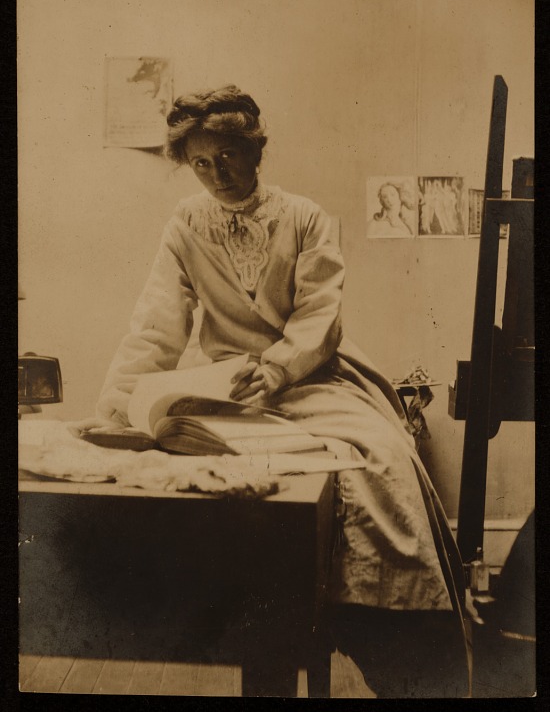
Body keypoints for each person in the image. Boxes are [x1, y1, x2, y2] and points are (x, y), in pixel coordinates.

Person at [71, 85, 470, 697]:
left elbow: (320, 316)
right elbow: (156, 324)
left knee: (378, 459)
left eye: (228, 155)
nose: (216, 174)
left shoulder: (306, 217)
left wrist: (281, 368)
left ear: (256, 149)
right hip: (224, 382)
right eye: (201, 163)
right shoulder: (185, 222)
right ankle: (258, 607)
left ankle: (383, 617)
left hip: (314, 375)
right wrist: (116, 405)